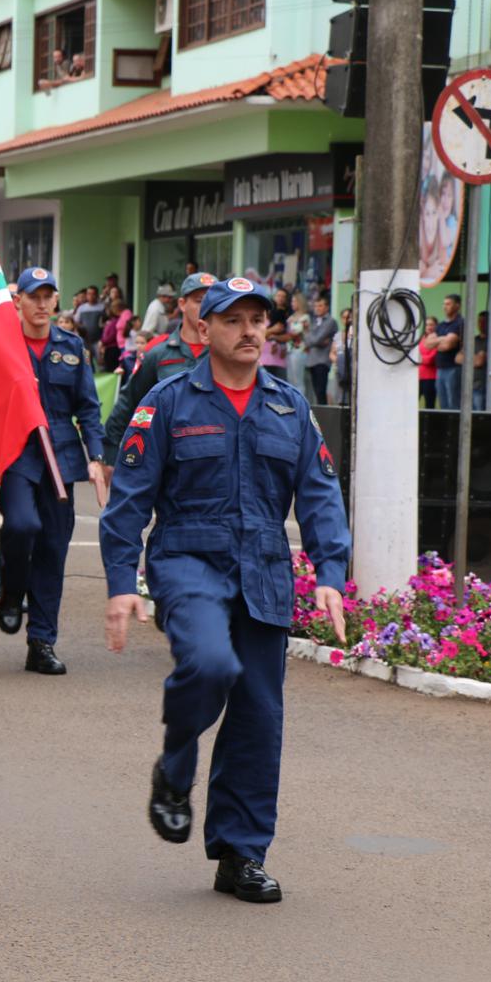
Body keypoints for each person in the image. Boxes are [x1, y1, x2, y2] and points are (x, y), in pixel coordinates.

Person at [99, 276, 351, 904]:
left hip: (263, 567)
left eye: (257, 320)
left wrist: (329, 575)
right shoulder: (167, 401)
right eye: (233, 320)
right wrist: (119, 583)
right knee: (209, 664)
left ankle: (240, 854)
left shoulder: (289, 407)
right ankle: (177, 763)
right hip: (188, 556)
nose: (247, 331)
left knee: (259, 716)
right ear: (203, 328)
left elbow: (320, 496)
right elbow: (129, 502)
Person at [0, 268, 105, 674]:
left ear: (56, 300)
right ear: (18, 301)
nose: (41, 304)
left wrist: (95, 456)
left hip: (60, 455)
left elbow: (88, 407)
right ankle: (11, 590)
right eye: (33, 296)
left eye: (48, 296)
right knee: (21, 525)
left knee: (54, 550)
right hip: (18, 450)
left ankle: (41, 641)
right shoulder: (2, 346)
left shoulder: (72, 348)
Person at [104, 272, 213, 462]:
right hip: (168, 461)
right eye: (199, 300)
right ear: (182, 304)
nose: (206, 307)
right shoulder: (159, 353)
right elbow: (130, 401)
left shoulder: (225, 356)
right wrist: (110, 455)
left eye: (212, 300)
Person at [300, 295, 336, 406]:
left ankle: (323, 417)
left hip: (322, 361)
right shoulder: (315, 321)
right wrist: (311, 338)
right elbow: (308, 341)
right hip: (312, 360)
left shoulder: (330, 321)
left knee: (321, 391)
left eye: (320, 306)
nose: (317, 308)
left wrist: (310, 336)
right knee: (315, 392)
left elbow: (315, 339)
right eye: (316, 306)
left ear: (327, 307)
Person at [433, 293, 465, 410]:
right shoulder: (441, 325)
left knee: (453, 403)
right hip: (440, 368)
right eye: (444, 304)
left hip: (453, 368)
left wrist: (438, 341)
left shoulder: (459, 323)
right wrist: (442, 339)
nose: (445, 307)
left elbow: (447, 345)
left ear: (457, 306)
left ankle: (455, 427)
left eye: (448, 304)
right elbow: (427, 344)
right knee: (443, 403)